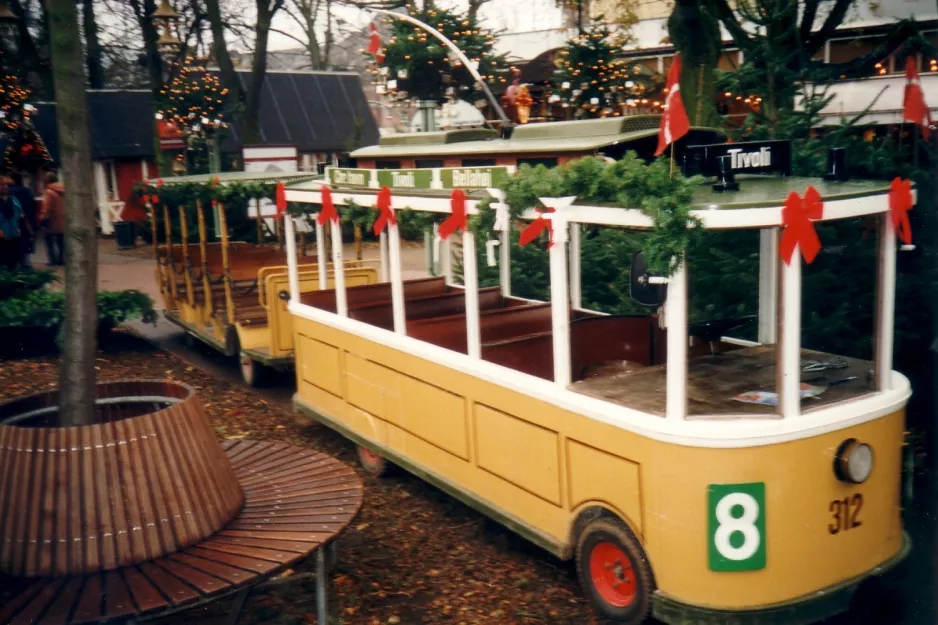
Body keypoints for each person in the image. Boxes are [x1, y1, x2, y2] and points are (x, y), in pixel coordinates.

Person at [8, 172, 37, 268]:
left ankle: (13, 264)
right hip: (25, 221)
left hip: (11, 222)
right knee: (25, 242)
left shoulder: (9, 192)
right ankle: (26, 264)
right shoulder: (26, 191)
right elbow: (32, 207)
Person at [40, 172, 65, 266]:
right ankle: (62, 259)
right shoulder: (63, 190)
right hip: (62, 220)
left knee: (49, 241)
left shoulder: (49, 192)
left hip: (51, 220)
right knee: (61, 241)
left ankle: (53, 260)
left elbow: (46, 207)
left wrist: (42, 218)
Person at [0, 177, 24, 270]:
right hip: (1, 238)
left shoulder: (14, 200)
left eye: (6, 185)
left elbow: (19, 217)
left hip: (13, 237)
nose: (5, 186)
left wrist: (18, 228)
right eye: (2, 184)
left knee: (13, 264)